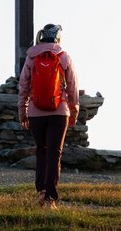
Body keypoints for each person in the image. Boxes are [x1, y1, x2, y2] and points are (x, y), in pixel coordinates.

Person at [18, 23, 79, 209]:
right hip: (59, 112)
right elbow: (73, 88)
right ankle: (50, 197)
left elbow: (23, 87)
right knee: (54, 153)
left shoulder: (31, 57)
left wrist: (23, 112)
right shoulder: (64, 57)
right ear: (58, 38)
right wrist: (73, 112)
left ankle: (41, 191)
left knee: (41, 151)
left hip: (36, 113)